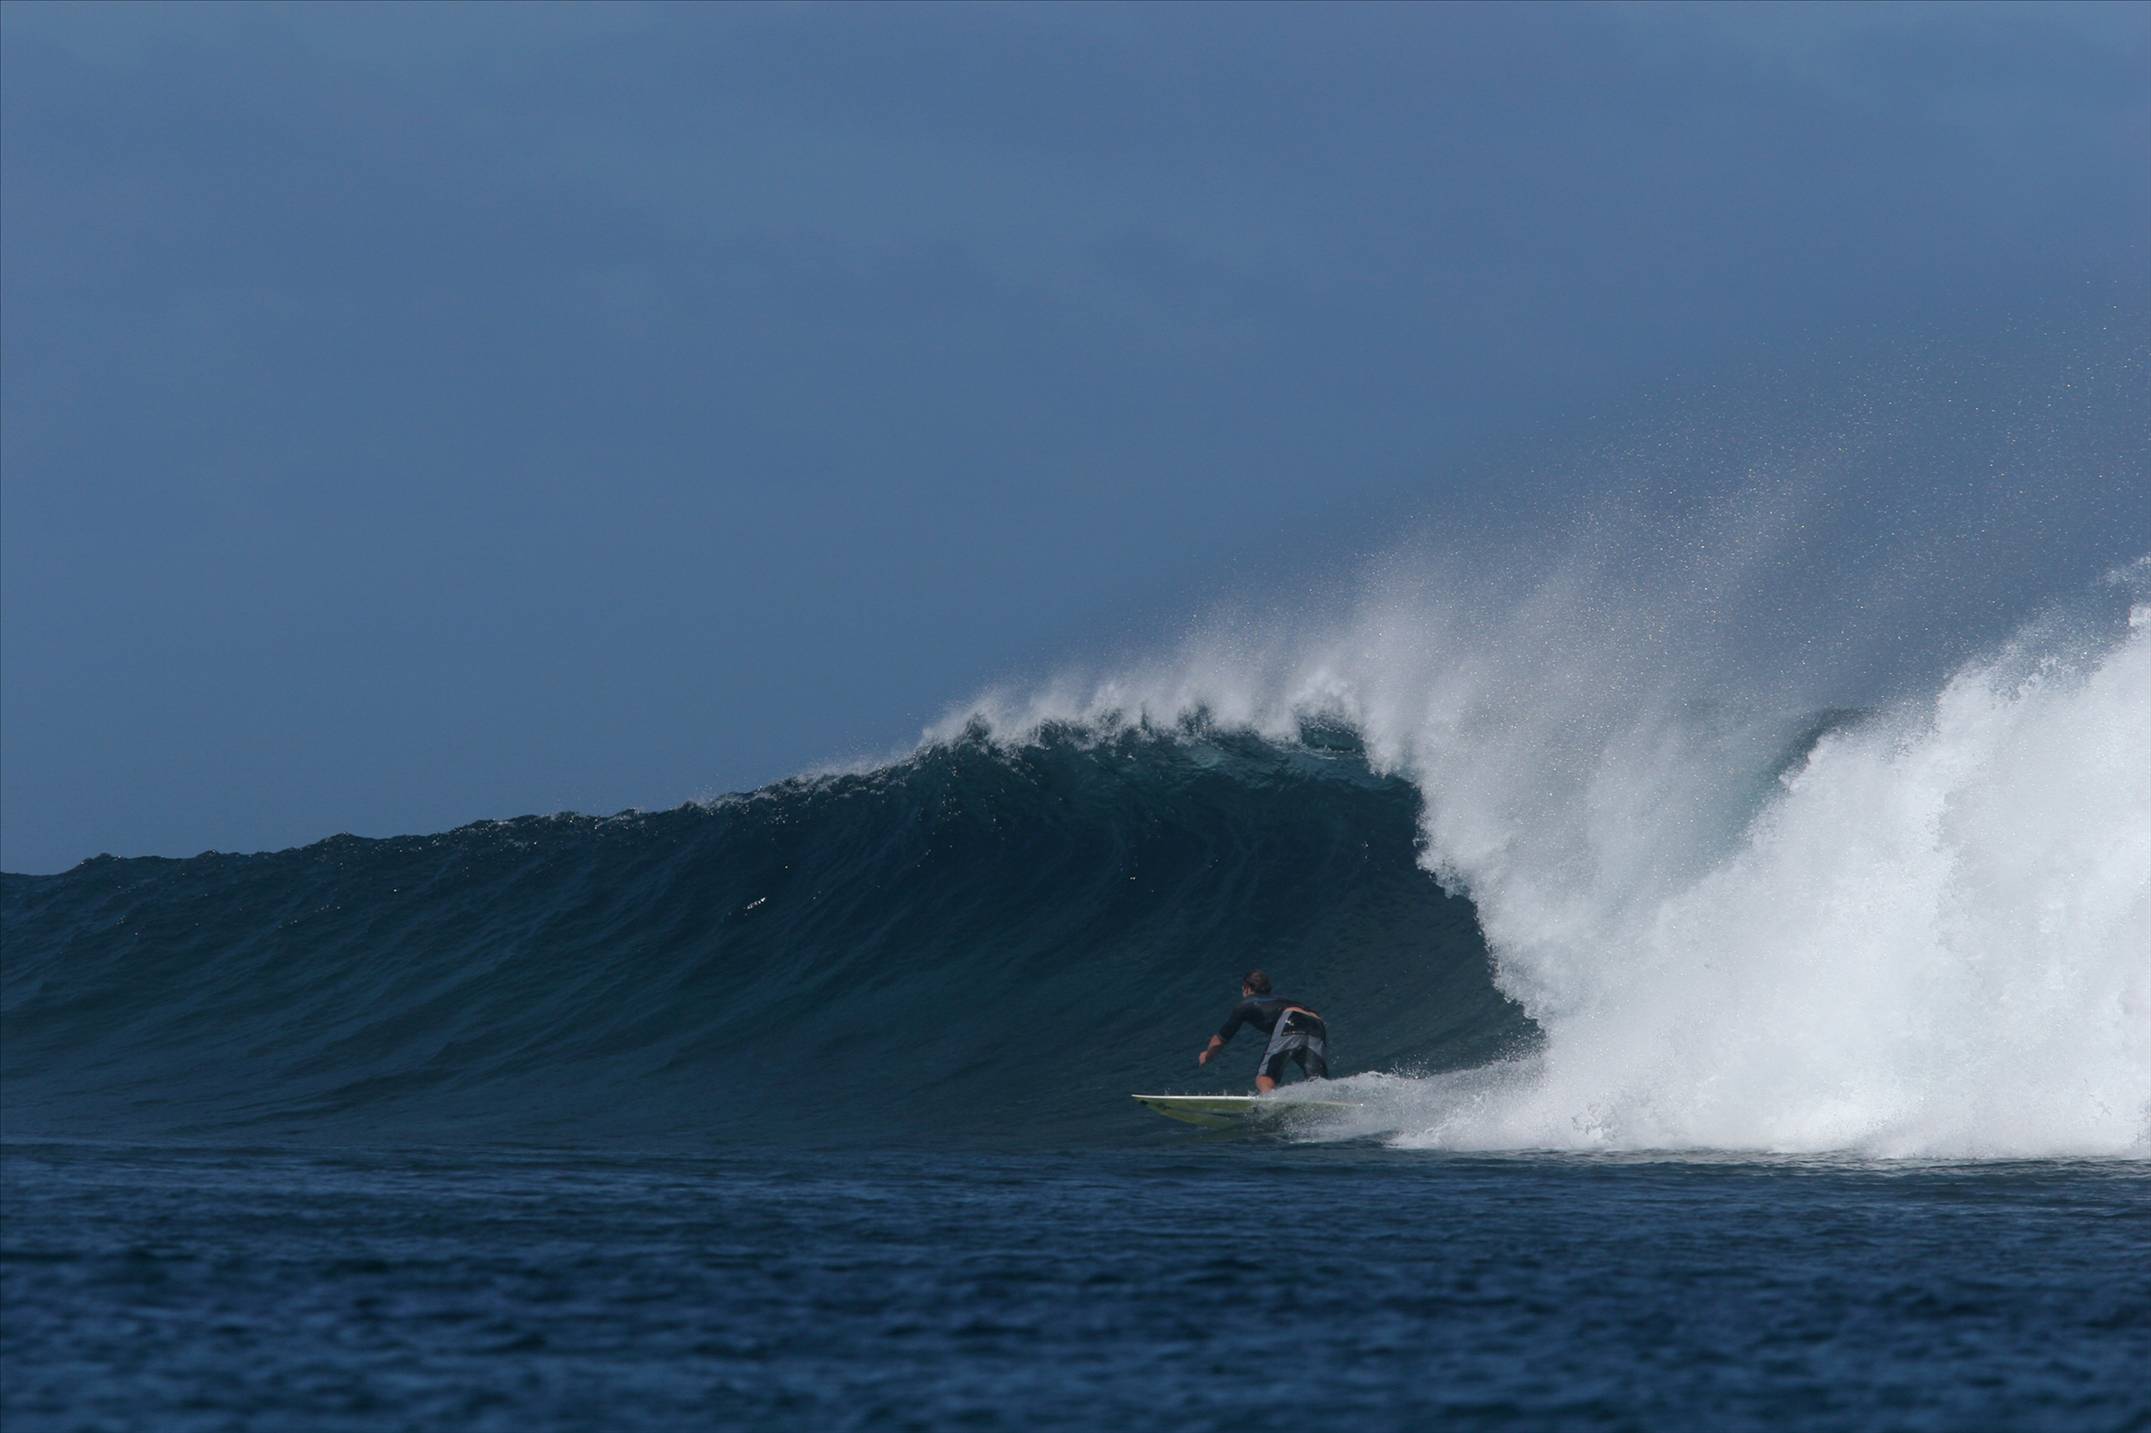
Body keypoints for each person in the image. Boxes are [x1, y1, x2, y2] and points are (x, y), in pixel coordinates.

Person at [1197, 970, 1328, 1093]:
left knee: (1264, 1078)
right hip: (1316, 1022)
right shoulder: (1280, 1001)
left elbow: (1220, 1039)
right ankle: (1326, 1102)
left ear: (1247, 988)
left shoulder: (1246, 1004)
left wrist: (1207, 1055)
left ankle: (1271, 1104)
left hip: (1291, 1018)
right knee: (1318, 1080)